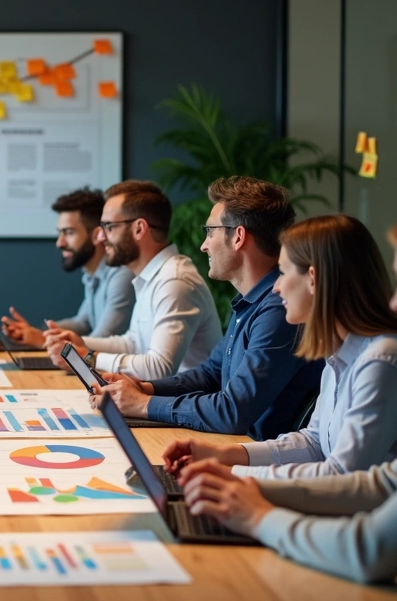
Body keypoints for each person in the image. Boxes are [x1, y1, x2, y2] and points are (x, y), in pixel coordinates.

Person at [179, 194, 397, 599]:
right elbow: (383, 483)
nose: (395, 301)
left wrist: (257, 514)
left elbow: (371, 547)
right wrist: (241, 482)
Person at [161, 215, 397, 478]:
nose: (276, 287)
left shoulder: (383, 360)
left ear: (313, 278)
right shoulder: (342, 351)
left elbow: (340, 475)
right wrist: (223, 455)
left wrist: (233, 473)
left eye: (283, 273)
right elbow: (315, 441)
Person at [93, 177, 323, 440]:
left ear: (238, 237)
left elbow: (231, 412)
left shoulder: (279, 310)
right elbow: (211, 374)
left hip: (255, 460)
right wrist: (144, 388)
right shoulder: (251, 303)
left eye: (210, 231)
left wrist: (143, 404)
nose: (203, 245)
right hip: (235, 448)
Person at [43, 181, 222, 381]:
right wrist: (80, 343)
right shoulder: (152, 276)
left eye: (108, 227)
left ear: (139, 229)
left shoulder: (175, 281)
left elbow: (159, 368)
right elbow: (133, 343)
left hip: (183, 405)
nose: (100, 237)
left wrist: (88, 357)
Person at [0, 186, 136, 346]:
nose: (60, 242)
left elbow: (103, 340)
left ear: (97, 235)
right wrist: (37, 331)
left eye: (69, 233)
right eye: (60, 233)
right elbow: (83, 322)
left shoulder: (122, 277)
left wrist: (44, 339)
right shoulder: (93, 275)